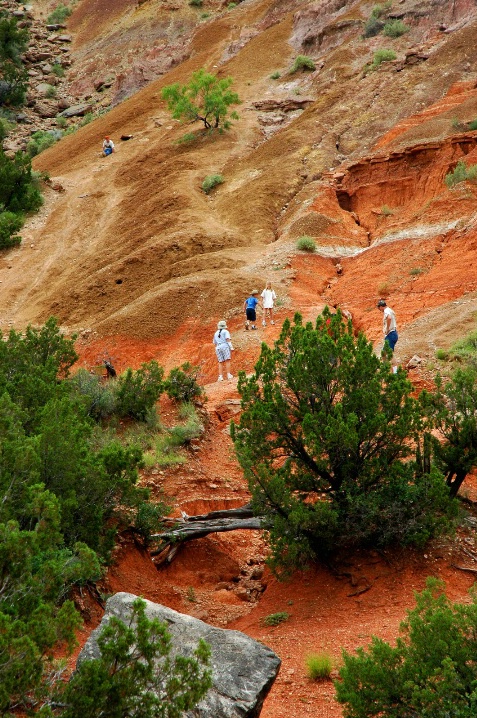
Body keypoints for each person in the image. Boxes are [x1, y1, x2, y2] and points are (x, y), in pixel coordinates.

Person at [377, 299, 398, 367]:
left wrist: (387, 328)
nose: (379, 310)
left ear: (381, 306)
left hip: (391, 334)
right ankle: (386, 368)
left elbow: (389, 318)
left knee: (389, 354)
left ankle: (395, 372)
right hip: (392, 334)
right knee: (383, 353)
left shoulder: (386, 310)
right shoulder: (390, 310)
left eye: (379, 308)